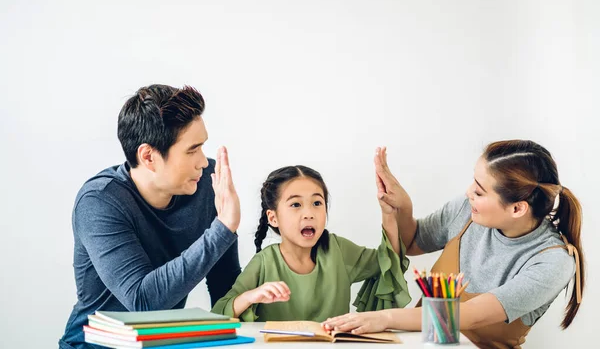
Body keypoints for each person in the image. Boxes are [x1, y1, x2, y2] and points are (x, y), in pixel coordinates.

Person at [323, 141, 584, 348]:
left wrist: (382, 318)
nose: (469, 191)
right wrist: (401, 208)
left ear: (517, 208)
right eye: (474, 181)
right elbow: (412, 242)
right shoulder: (466, 210)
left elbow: (465, 315)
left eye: (480, 191)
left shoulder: (553, 262)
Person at [59, 85, 242, 349]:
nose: (203, 162)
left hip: (162, 345)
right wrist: (223, 228)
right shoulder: (99, 201)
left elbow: (225, 287)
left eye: (203, 147)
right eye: (192, 150)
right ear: (148, 157)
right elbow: (143, 301)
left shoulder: (206, 182)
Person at [211, 162, 412, 321]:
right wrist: (251, 296)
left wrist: (388, 214)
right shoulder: (264, 263)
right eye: (296, 204)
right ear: (273, 218)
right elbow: (221, 312)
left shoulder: (338, 250)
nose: (309, 213)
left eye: (317, 203)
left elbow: (388, 263)